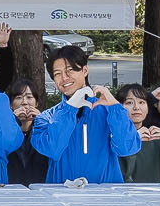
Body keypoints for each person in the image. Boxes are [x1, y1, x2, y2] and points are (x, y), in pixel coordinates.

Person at [32, 46, 139, 184]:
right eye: (57, 74)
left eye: (70, 70)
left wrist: (115, 108)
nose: (64, 78)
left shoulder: (108, 111)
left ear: (85, 70)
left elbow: (127, 148)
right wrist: (69, 110)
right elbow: (53, 149)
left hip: (105, 196)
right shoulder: (46, 117)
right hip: (61, 196)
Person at [3, 81, 50, 185]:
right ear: (11, 104)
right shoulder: (3, 129)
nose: (24, 102)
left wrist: (42, 122)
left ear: (36, 103)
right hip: (11, 190)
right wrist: (13, 120)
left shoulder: (45, 128)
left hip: (40, 190)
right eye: (18, 97)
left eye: (29, 97)